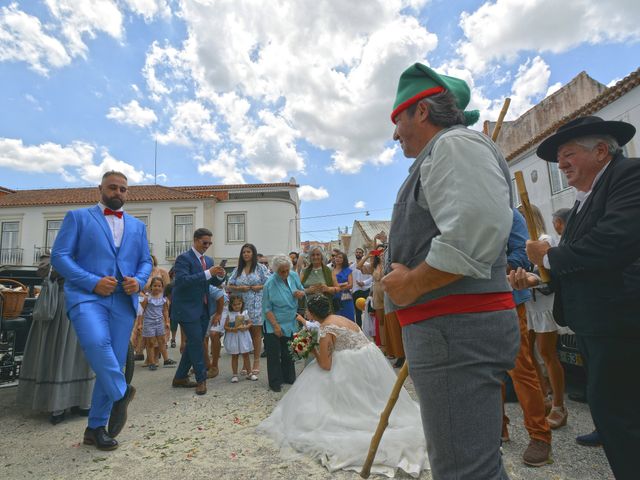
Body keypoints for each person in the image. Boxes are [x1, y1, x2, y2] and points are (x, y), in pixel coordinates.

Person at [381, 63, 519, 479]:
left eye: (398, 119)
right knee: (469, 463)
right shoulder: (448, 150)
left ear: (422, 111)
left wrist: (410, 284)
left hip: (454, 332)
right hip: (449, 333)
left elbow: (474, 229)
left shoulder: (455, 145)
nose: (394, 134)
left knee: (464, 470)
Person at [510, 116, 640, 480]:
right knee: (612, 413)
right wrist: (540, 277)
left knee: (622, 418)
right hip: (596, 322)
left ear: (601, 151)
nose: (561, 164)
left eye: (568, 155)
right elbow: (584, 264)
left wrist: (548, 257)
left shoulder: (629, 174)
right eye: (559, 158)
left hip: (620, 321)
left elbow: (614, 242)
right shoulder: (586, 197)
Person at [257, 294, 429, 477]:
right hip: (369, 361)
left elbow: (326, 364)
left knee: (318, 377)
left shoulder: (325, 328)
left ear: (313, 313)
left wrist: (312, 349)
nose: (306, 313)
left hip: (349, 366)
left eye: (308, 310)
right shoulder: (341, 318)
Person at [51, 170, 152, 451]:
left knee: (114, 364)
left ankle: (95, 428)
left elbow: (144, 261)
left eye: (122, 189)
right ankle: (121, 393)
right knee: (97, 344)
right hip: (86, 297)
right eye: (112, 188)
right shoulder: (78, 217)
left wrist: (140, 280)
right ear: (100, 188)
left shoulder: (137, 226)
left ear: (127, 193)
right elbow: (59, 257)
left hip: (123, 301)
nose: (117, 193)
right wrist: (92, 282)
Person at [17, 254, 95, 425]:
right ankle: (57, 404)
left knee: (82, 354)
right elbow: (43, 271)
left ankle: (81, 401)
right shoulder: (56, 254)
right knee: (60, 351)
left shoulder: (91, 252)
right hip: (62, 307)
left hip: (85, 305)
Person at [502, 209, 552, 466]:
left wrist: (480, 269)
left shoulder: (510, 214)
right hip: (473, 306)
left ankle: (539, 434)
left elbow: (521, 255)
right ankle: (498, 427)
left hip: (507, 301)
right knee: (485, 370)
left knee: (520, 368)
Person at [521, 204, 567, 429]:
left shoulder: (544, 239)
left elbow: (550, 273)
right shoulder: (521, 243)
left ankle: (559, 406)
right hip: (528, 302)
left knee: (548, 353)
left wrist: (531, 277)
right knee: (528, 353)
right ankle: (545, 395)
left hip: (543, 303)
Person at [170, 228, 226, 396]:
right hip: (186, 309)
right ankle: (201, 380)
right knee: (196, 343)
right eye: (204, 242)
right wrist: (208, 273)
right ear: (195, 240)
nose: (207, 246)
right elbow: (182, 281)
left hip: (203, 307)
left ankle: (180, 377)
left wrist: (220, 276)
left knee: (194, 342)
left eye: (210, 243)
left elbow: (212, 282)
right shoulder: (183, 259)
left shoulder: (208, 260)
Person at [261, 255, 305, 392]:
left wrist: (300, 293)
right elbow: (266, 308)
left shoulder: (293, 275)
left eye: (287, 270)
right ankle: (275, 382)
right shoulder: (269, 284)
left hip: (290, 320)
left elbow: (302, 290)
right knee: (274, 354)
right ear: (275, 270)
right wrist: (275, 326)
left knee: (288, 352)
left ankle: (288, 377)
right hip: (273, 321)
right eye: (282, 271)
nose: (285, 274)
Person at [227, 243, 269, 377]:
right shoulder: (237, 269)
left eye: (248, 252)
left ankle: (256, 361)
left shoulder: (260, 268)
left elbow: (269, 283)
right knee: (244, 333)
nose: (246, 254)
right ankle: (246, 363)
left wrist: (260, 286)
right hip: (241, 307)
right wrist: (240, 289)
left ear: (254, 254)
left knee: (256, 333)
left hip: (257, 304)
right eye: (244, 252)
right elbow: (229, 285)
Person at [140, 277, 176, 371]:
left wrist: (167, 321)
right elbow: (141, 311)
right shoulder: (147, 298)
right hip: (149, 322)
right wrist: (140, 323)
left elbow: (165, 310)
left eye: (159, 286)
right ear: (151, 287)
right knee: (150, 343)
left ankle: (166, 359)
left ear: (162, 287)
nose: (157, 288)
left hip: (160, 322)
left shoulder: (163, 298)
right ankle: (151, 362)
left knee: (162, 341)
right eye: (155, 285)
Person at [223, 295, 255, 383]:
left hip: (243, 336)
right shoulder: (229, 314)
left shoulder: (244, 313)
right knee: (235, 355)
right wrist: (232, 329)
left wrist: (246, 327)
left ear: (242, 303)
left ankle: (250, 373)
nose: (237, 306)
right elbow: (225, 326)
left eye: (239, 304)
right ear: (231, 305)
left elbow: (250, 323)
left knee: (246, 354)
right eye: (235, 305)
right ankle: (234, 374)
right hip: (233, 336)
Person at [301, 246, 336, 311]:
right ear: (310, 257)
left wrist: (327, 289)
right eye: (313, 255)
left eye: (318, 254)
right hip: (309, 310)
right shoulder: (304, 271)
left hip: (325, 309)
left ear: (322, 256)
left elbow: (337, 288)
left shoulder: (329, 271)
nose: (315, 257)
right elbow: (297, 290)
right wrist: (307, 290)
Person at [351, 247, 372, 327]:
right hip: (356, 291)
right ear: (355, 254)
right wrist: (351, 289)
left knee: (368, 310)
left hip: (366, 290)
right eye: (357, 252)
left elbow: (372, 277)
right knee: (357, 312)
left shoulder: (367, 265)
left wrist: (364, 283)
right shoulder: (352, 267)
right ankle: (360, 329)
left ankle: (369, 328)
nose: (358, 254)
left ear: (363, 254)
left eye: (360, 252)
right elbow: (351, 278)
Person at [331, 251, 355, 321]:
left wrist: (338, 287)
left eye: (340, 257)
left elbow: (350, 285)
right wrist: (343, 284)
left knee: (349, 317)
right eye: (336, 257)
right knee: (338, 318)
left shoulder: (348, 270)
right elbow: (332, 285)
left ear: (344, 259)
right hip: (336, 297)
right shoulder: (331, 271)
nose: (338, 259)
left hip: (346, 297)